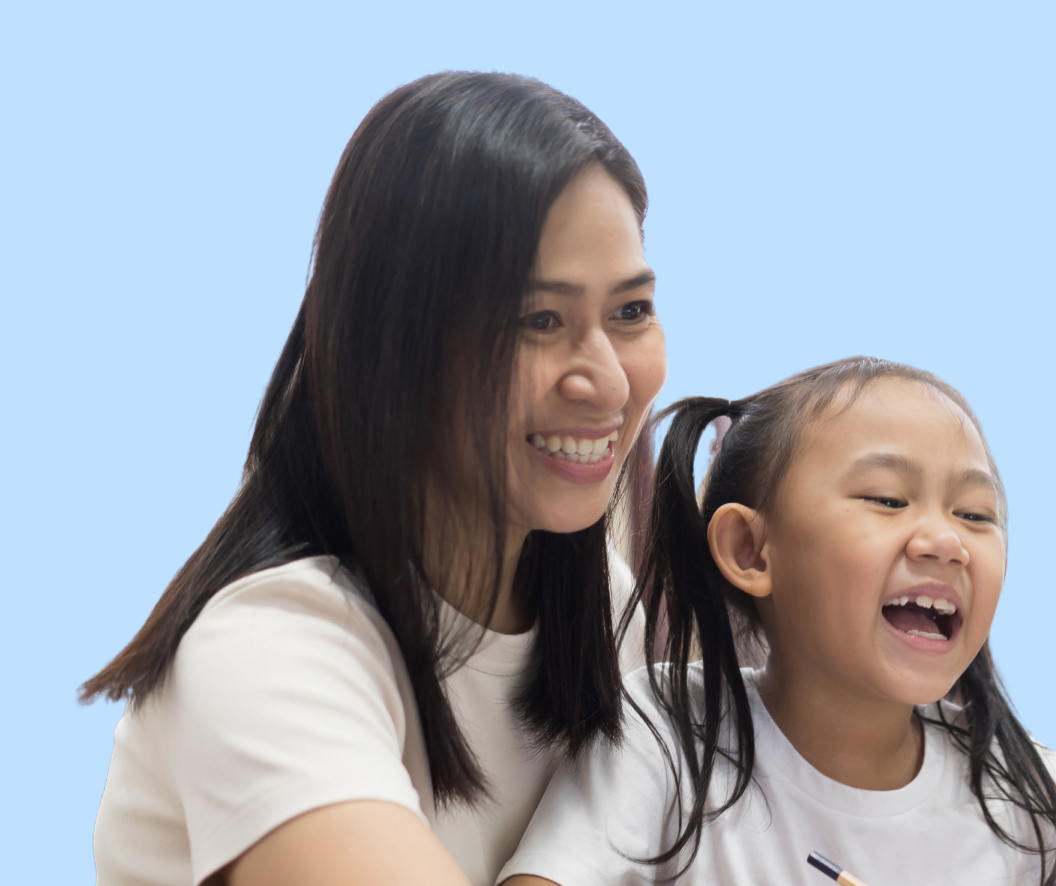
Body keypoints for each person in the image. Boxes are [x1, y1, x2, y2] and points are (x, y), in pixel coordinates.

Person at [80, 71, 666, 886]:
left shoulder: (601, 608)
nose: (607, 381)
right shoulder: (269, 651)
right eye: (540, 320)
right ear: (397, 345)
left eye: (630, 311)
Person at [501, 357, 1056, 886]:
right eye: (887, 500)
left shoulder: (1036, 802)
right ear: (750, 549)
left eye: (975, 514)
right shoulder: (662, 736)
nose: (947, 542)